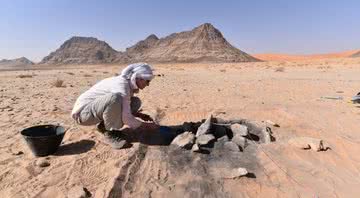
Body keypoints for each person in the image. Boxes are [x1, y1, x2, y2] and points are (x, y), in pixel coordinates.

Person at [71, 63, 159, 149]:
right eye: (147, 81)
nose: (147, 84)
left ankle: (103, 126)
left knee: (135, 102)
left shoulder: (126, 84)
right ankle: (110, 133)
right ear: (138, 78)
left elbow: (124, 108)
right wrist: (146, 126)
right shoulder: (122, 85)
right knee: (114, 98)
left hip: (94, 110)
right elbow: (126, 118)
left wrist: (139, 115)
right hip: (83, 115)